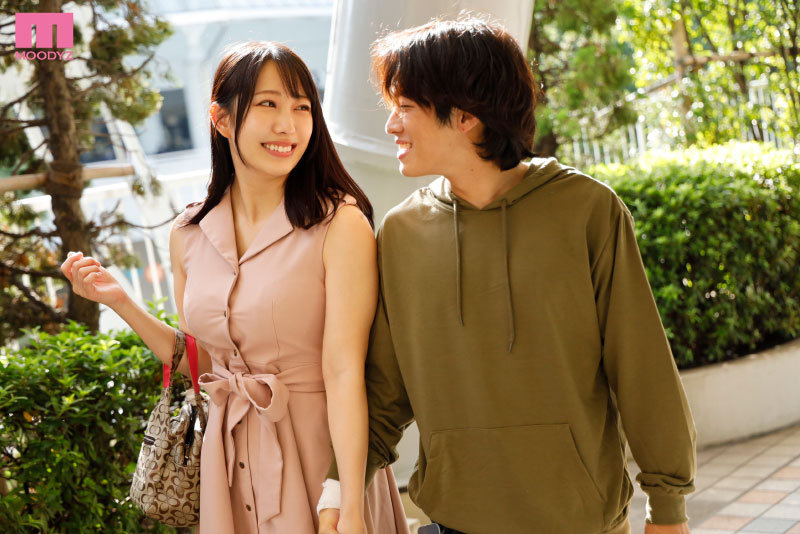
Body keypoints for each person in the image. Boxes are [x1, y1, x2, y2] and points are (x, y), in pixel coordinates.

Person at [318, 17, 696, 534]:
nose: (392, 126)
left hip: (579, 524)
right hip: (455, 522)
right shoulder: (402, 232)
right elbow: (384, 393)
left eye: (405, 107)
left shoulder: (587, 210)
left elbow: (641, 367)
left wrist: (668, 509)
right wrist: (338, 492)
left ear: (466, 116)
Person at [60, 41, 409, 534]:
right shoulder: (188, 232)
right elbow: (201, 363)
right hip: (228, 463)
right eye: (268, 104)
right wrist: (120, 303)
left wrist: (349, 501)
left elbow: (346, 371)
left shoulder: (339, 224)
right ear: (221, 119)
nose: (288, 125)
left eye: (302, 107)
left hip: (320, 460)